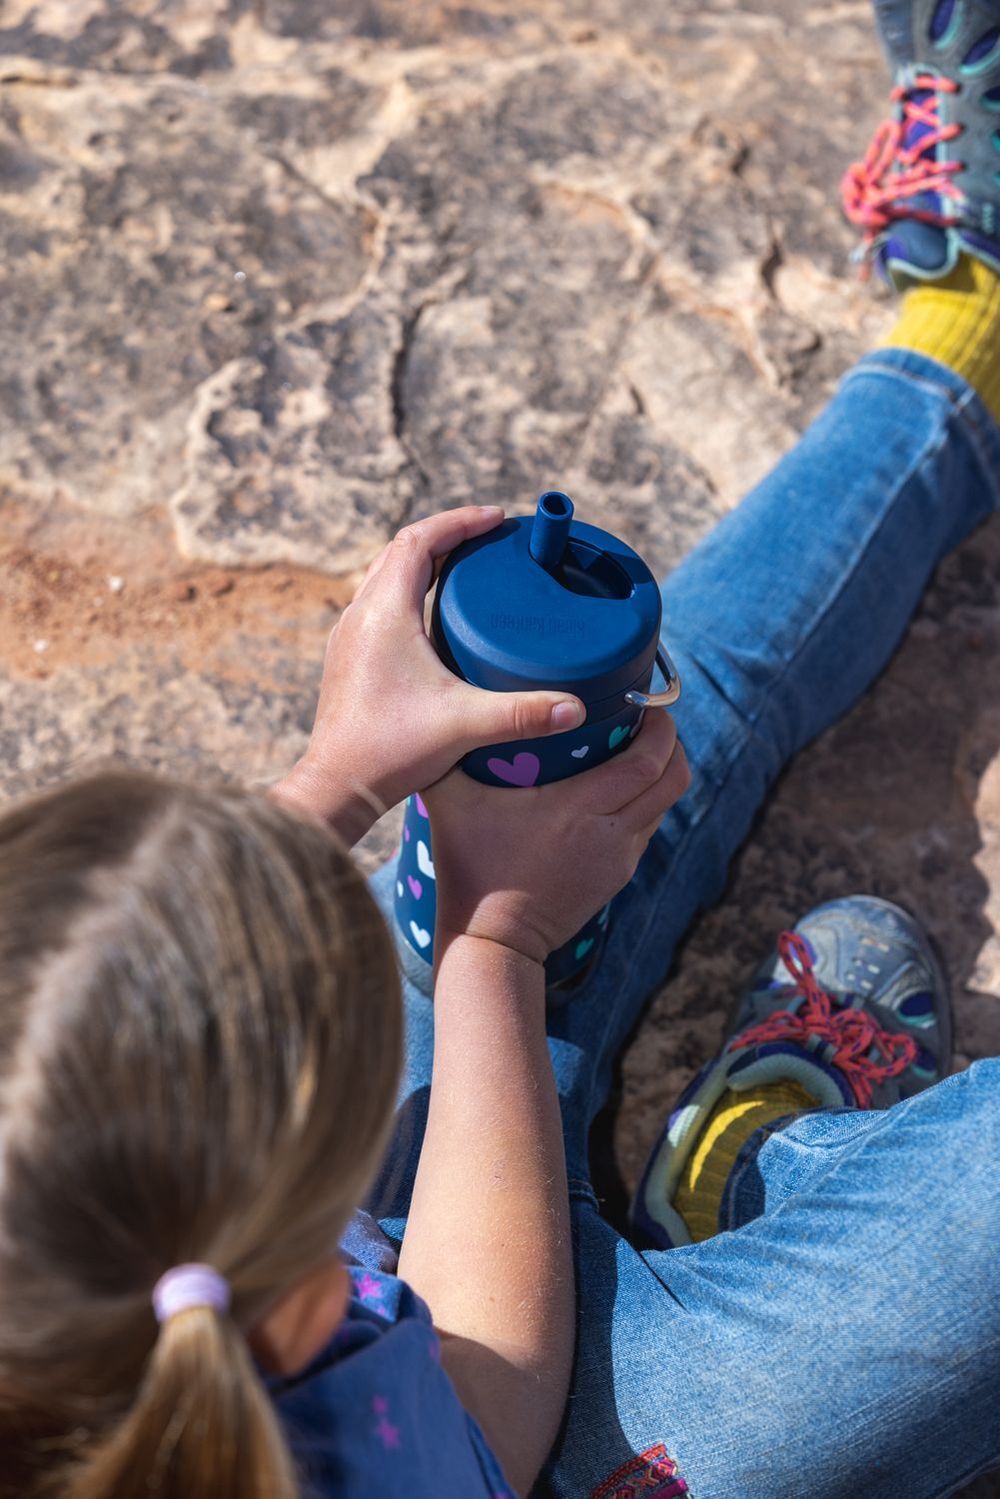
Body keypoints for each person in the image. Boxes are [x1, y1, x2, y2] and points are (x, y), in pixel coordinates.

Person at [0, 2, 998, 1497]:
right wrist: (494, 946)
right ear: (294, 1294)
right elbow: (489, 1403)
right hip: (500, 1425)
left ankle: (962, 339)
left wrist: (344, 776)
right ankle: (770, 1180)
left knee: (616, 725)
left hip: (378, 1297)